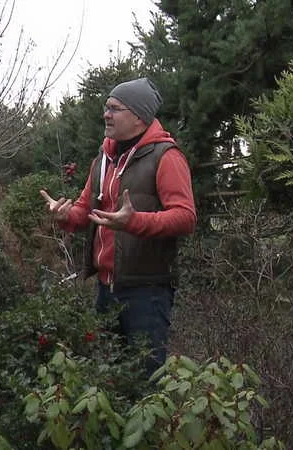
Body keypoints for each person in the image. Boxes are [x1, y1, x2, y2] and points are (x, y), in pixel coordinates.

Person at [40, 77, 196, 376]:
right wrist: (66, 217)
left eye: (114, 108)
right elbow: (86, 211)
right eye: (105, 107)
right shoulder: (104, 158)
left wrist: (135, 222)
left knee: (146, 381)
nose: (105, 114)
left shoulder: (166, 156)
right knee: (108, 378)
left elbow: (185, 217)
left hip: (147, 291)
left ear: (138, 115)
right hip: (105, 289)